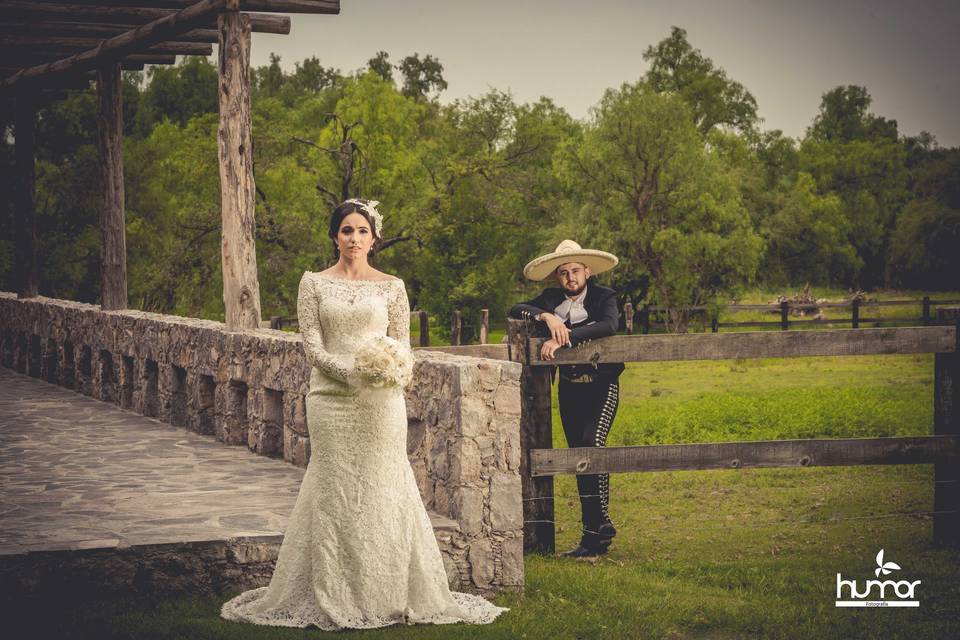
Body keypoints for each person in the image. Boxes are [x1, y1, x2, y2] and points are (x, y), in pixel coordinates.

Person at [221, 199, 509, 630]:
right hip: (330, 401)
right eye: (346, 230)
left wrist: (385, 371)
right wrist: (351, 371)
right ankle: (333, 591)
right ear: (335, 236)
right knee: (335, 488)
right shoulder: (313, 283)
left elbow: (402, 347)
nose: (354, 238)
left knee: (383, 486)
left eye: (361, 231)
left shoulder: (392, 286)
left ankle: (388, 591)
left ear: (374, 239)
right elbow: (312, 345)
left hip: (380, 404)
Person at [508, 239, 624, 558]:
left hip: (602, 385)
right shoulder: (551, 300)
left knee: (593, 444)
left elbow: (610, 325)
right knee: (578, 457)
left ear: (587, 270)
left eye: (575, 270)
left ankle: (601, 524)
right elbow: (516, 309)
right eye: (563, 273)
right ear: (557, 277)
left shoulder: (605, 296)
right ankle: (593, 539)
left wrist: (566, 339)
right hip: (570, 388)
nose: (570, 277)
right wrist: (548, 319)